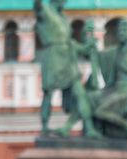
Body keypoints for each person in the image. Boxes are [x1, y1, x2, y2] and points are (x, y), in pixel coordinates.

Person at [34, 0, 100, 138]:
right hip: (52, 59)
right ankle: (44, 127)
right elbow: (37, 5)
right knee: (48, 94)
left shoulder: (62, 16)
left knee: (80, 92)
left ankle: (90, 127)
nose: (64, 2)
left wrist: (86, 45)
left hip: (67, 59)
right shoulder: (44, 11)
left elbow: (69, 42)